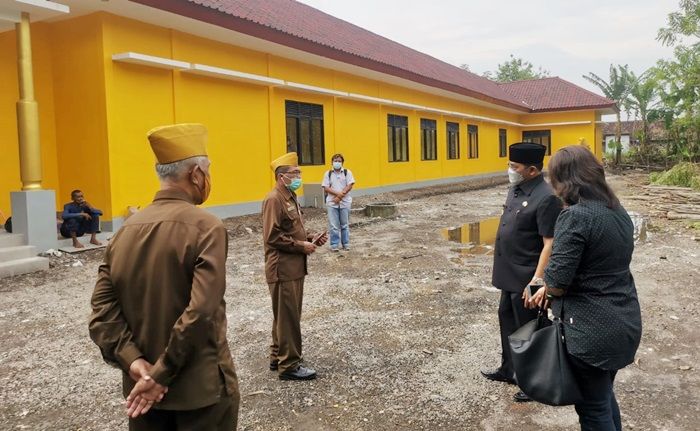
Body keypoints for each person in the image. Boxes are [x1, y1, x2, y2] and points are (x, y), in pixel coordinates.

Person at [89, 123, 240, 430]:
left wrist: (135, 364)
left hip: (141, 396)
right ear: (196, 174)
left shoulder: (124, 232)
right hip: (200, 395)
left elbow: (102, 313)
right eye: (208, 171)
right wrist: (161, 373)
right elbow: (200, 313)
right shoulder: (206, 227)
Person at [527, 145, 642, 430]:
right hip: (623, 320)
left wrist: (544, 290)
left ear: (564, 180)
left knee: (593, 409)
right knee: (602, 397)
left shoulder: (576, 216)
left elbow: (558, 280)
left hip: (591, 330)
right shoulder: (617, 211)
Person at [480, 142, 563, 402]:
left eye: (514, 167)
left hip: (528, 276)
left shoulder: (546, 196)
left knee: (529, 330)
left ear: (531, 170)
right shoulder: (517, 189)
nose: (509, 170)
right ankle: (509, 369)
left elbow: (549, 243)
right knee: (507, 320)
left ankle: (533, 382)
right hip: (508, 274)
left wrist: (538, 281)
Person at [263, 152, 328, 380]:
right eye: (295, 173)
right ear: (282, 177)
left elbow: (292, 230)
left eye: (299, 172)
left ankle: (277, 356)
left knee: (284, 314)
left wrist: (310, 238)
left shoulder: (289, 196)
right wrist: (301, 246)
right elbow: (272, 236)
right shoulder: (274, 199)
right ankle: (289, 366)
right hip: (283, 268)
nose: (299, 176)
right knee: (289, 316)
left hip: (293, 267)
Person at [321, 153, 355, 251]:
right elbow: (326, 187)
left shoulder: (347, 172)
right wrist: (338, 195)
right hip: (332, 203)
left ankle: (346, 244)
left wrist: (340, 196)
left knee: (344, 225)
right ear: (332, 162)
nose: (337, 163)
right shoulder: (328, 174)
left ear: (342, 162)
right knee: (334, 226)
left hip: (345, 203)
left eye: (339, 161)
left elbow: (350, 185)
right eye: (335, 161)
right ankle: (334, 245)